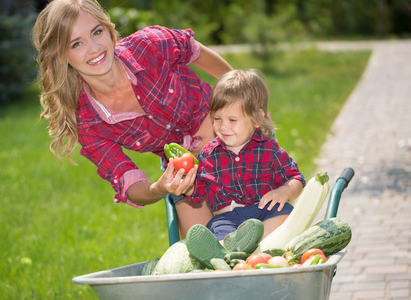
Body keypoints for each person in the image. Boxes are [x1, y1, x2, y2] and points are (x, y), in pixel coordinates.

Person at [32, 0, 233, 238]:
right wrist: (160, 187)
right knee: (202, 245)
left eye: (97, 32)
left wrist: (243, 100)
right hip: (182, 172)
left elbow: (195, 51)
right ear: (60, 56)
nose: (94, 48)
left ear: (108, 29)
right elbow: (129, 185)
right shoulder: (88, 122)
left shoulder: (148, 46)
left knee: (249, 217)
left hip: (229, 134)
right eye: (76, 44)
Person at [184, 69, 305, 262]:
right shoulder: (209, 153)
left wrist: (285, 192)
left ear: (257, 118)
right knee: (215, 234)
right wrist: (187, 185)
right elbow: (198, 192)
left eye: (232, 120)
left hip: (264, 211)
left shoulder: (268, 148)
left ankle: (246, 250)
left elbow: (296, 178)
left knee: (287, 215)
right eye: (217, 119)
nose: (223, 126)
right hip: (227, 219)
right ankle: (233, 250)